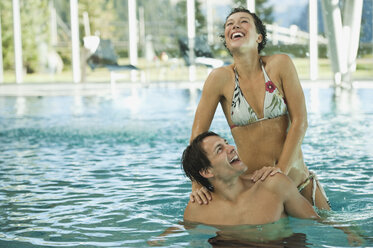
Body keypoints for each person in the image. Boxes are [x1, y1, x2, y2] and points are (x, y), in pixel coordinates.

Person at [189, 7, 330, 210]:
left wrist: (280, 170)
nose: (235, 25)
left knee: (348, 236)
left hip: (299, 183)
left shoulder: (280, 65)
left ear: (259, 37)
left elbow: (300, 121)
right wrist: (197, 183)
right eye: (229, 24)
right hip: (257, 191)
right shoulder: (219, 79)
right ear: (227, 41)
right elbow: (198, 138)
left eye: (244, 21)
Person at [182, 131, 320, 225]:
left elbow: (316, 223)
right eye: (220, 149)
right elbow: (179, 232)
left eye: (226, 143)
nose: (231, 148)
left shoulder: (274, 185)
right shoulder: (198, 208)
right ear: (207, 171)